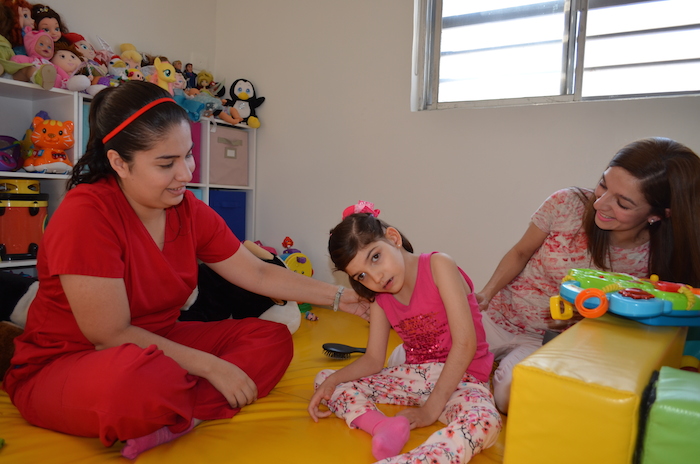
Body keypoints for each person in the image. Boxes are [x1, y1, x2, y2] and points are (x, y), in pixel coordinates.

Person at [2, 80, 369, 460]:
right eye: (166, 163)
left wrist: (344, 297)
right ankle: (178, 403)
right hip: (75, 359)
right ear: (119, 163)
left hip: (161, 342)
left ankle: (175, 416)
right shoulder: (85, 214)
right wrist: (212, 367)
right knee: (137, 384)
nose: (186, 173)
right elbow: (109, 334)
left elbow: (257, 274)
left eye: (188, 155)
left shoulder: (187, 209)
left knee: (271, 340)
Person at [475, 137, 700, 414]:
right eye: (604, 184)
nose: (600, 204)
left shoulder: (655, 257)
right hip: (498, 317)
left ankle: (481, 380)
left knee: (513, 396)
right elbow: (520, 253)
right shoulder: (565, 203)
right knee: (418, 355)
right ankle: (475, 373)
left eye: (623, 203)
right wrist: (486, 293)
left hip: (545, 342)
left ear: (658, 214)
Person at [308, 202, 501, 464]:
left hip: (462, 378)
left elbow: (465, 344)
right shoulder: (379, 295)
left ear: (393, 238)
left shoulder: (438, 265)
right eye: (362, 275)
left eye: (375, 257)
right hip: (416, 378)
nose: (375, 278)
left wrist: (429, 410)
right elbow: (374, 359)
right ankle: (381, 427)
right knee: (326, 380)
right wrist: (332, 383)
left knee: (486, 422)